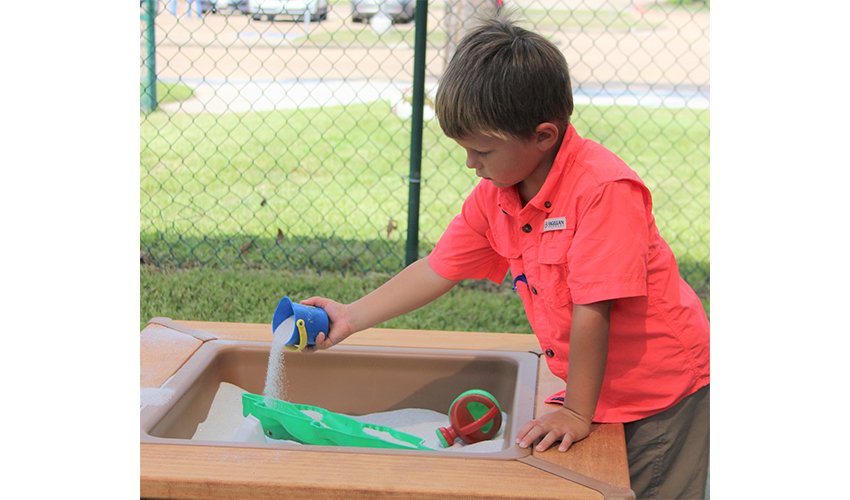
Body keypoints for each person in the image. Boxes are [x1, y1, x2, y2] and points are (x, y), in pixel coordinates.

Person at [301, 14, 709, 500]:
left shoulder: (603, 191)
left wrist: (577, 414)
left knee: (648, 488)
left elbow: (593, 310)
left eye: (483, 150)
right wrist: (349, 317)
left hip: (657, 393)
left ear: (543, 136)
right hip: (592, 389)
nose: (471, 164)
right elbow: (437, 269)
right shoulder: (498, 194)